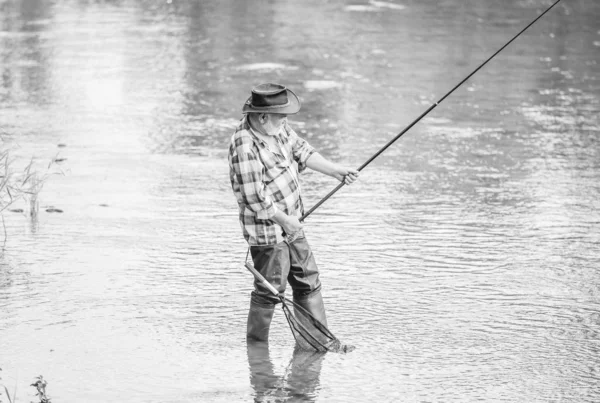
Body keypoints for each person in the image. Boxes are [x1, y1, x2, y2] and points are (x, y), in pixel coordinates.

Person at [228, 83, 359, 341]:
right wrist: (285, 221)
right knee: (270, 290)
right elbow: (254, 197)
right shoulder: (244, 145)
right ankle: (256, 351)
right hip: (267, 231)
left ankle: (318, 341)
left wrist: (335, 171)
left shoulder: (278, 128)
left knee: (308, 279)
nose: (285, 121)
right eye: (281, 116)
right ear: (262, 116)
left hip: (293, 222)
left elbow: (302, 150)